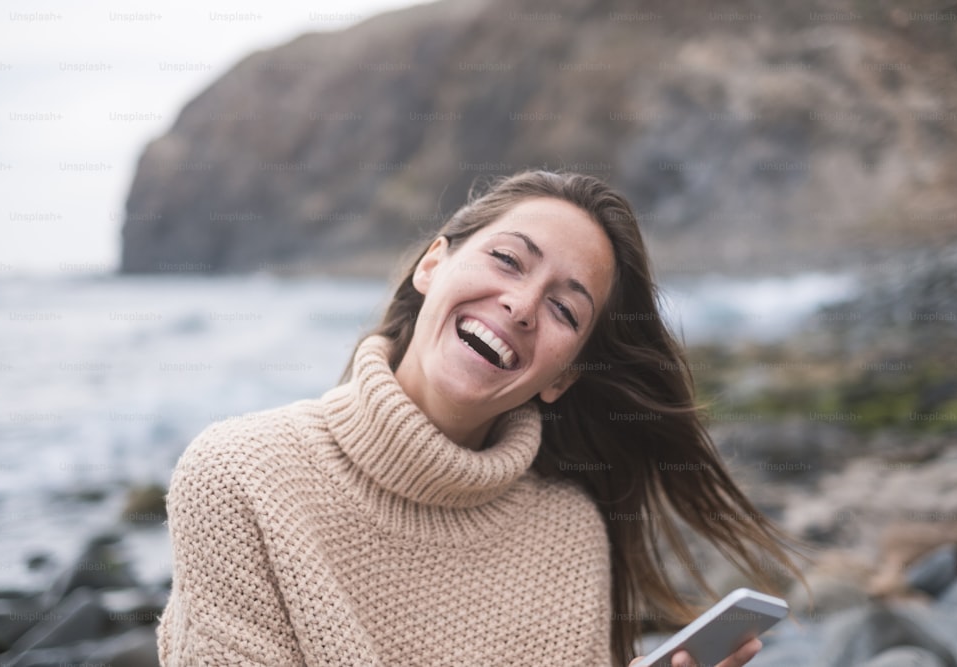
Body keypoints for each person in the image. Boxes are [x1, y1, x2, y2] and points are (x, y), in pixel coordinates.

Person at [156, 170, 805, 666]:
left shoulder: (567, 533)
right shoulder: (239, 476)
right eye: (508, 259)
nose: (522, 304)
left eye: (565, 310)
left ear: (562, 378)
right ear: (431, 264)